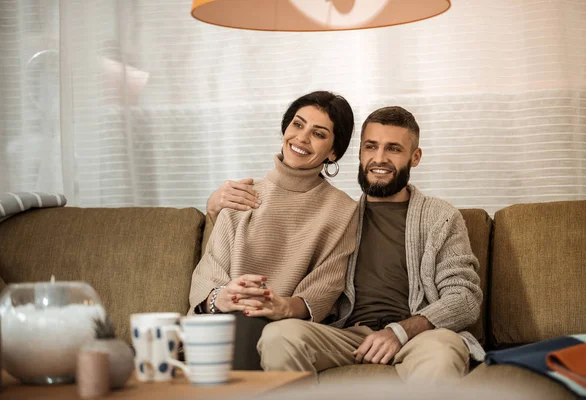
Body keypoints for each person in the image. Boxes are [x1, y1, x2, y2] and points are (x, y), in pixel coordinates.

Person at [207, 106, 484, 382]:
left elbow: (464, 298)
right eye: (370, 147)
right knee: (279, 336)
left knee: (441, 353)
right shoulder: (338, 214)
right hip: (346, 335)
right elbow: (281, 230)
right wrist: (214, 209)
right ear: (360, 153)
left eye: (394, 149)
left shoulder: (441, 217)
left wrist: (399, 332)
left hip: (418, 337)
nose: (379, 158)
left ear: (415, 157)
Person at [188, 91, 359, 370]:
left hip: (283, 328)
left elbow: (324, 289)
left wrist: (277, 306)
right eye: (297, 124)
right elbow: (208, 276)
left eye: (318, 133)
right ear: (285, 128)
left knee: (256, 326)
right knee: (240, 320)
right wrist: (224, 296)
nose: (302, 138)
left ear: (334, 151)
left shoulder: (342, 210)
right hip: (226, 318)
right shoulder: (241, 195)